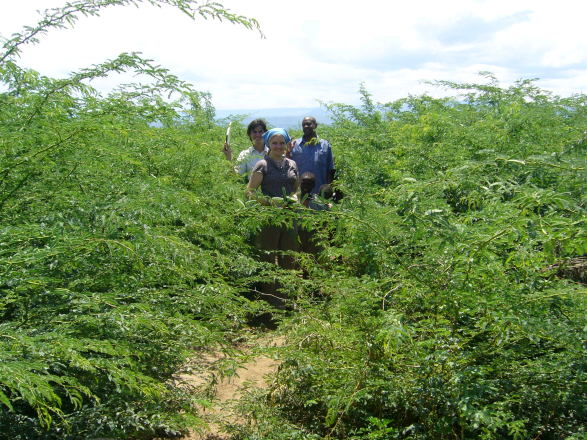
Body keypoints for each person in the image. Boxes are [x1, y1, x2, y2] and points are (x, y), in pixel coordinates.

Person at [247, 128, 299, 307]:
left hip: (289, 216)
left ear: (286, 144)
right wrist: (270, 203)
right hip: (269, 217)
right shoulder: (262, 164)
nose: (278, 146)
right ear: (269, 144)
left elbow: (296, 188)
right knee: (268, 257)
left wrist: (295, 198)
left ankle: (288, 296)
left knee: (289, 256)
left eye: (282, 143)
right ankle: (273, 300)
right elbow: (249, 192)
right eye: (274, 143)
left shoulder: (292, 164)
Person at [287, 116, 335, 195]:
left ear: (315, 125)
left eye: (309, 124)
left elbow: (329, 171)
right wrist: (288, 152)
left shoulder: (325, 145)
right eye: (303, 125)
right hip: (299, 194)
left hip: (320, 193)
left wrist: (329, 191)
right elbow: (288, 167)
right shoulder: (295, 145)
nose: (306, 126)